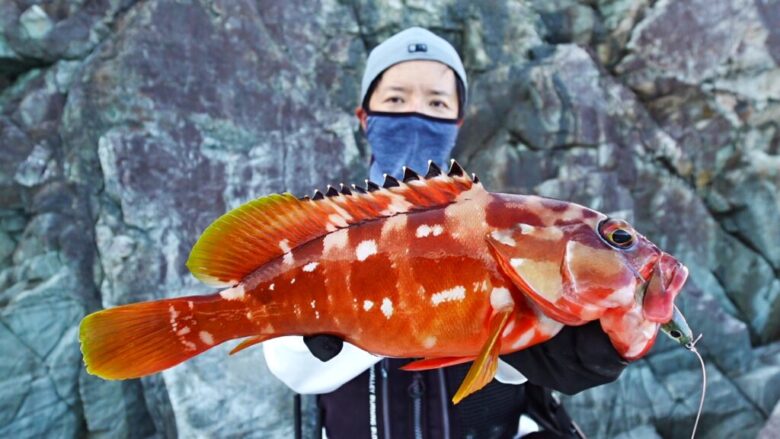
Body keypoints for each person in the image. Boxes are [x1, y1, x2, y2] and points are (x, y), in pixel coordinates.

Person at [263, 27, 627, 438]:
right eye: (396, 99)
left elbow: (510, 366)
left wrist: (552, 341)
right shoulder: (323, 234)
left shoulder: (500, 230)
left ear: (456, 122)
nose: (417, 114)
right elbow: (292, 367)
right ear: (365, 116)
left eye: (436, 102)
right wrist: (341, 327)